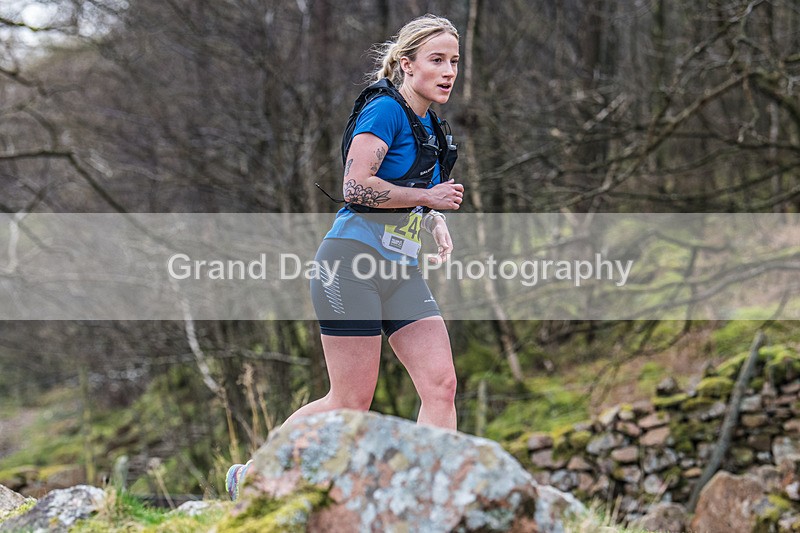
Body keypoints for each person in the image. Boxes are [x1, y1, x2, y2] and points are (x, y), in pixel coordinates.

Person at [226, 14, 463, 500]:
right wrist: (430, 201)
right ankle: (252, 475)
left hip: (400, 271)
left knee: (441, 384)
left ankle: (429, 499)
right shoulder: (385, 110)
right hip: (349, 265)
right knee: (349, 401)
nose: (448, 71)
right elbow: (356, 187)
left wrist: (433, 220)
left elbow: (417, 191)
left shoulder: (433, 127)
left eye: (454, 61)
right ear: (406, 64)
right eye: (436, 60)